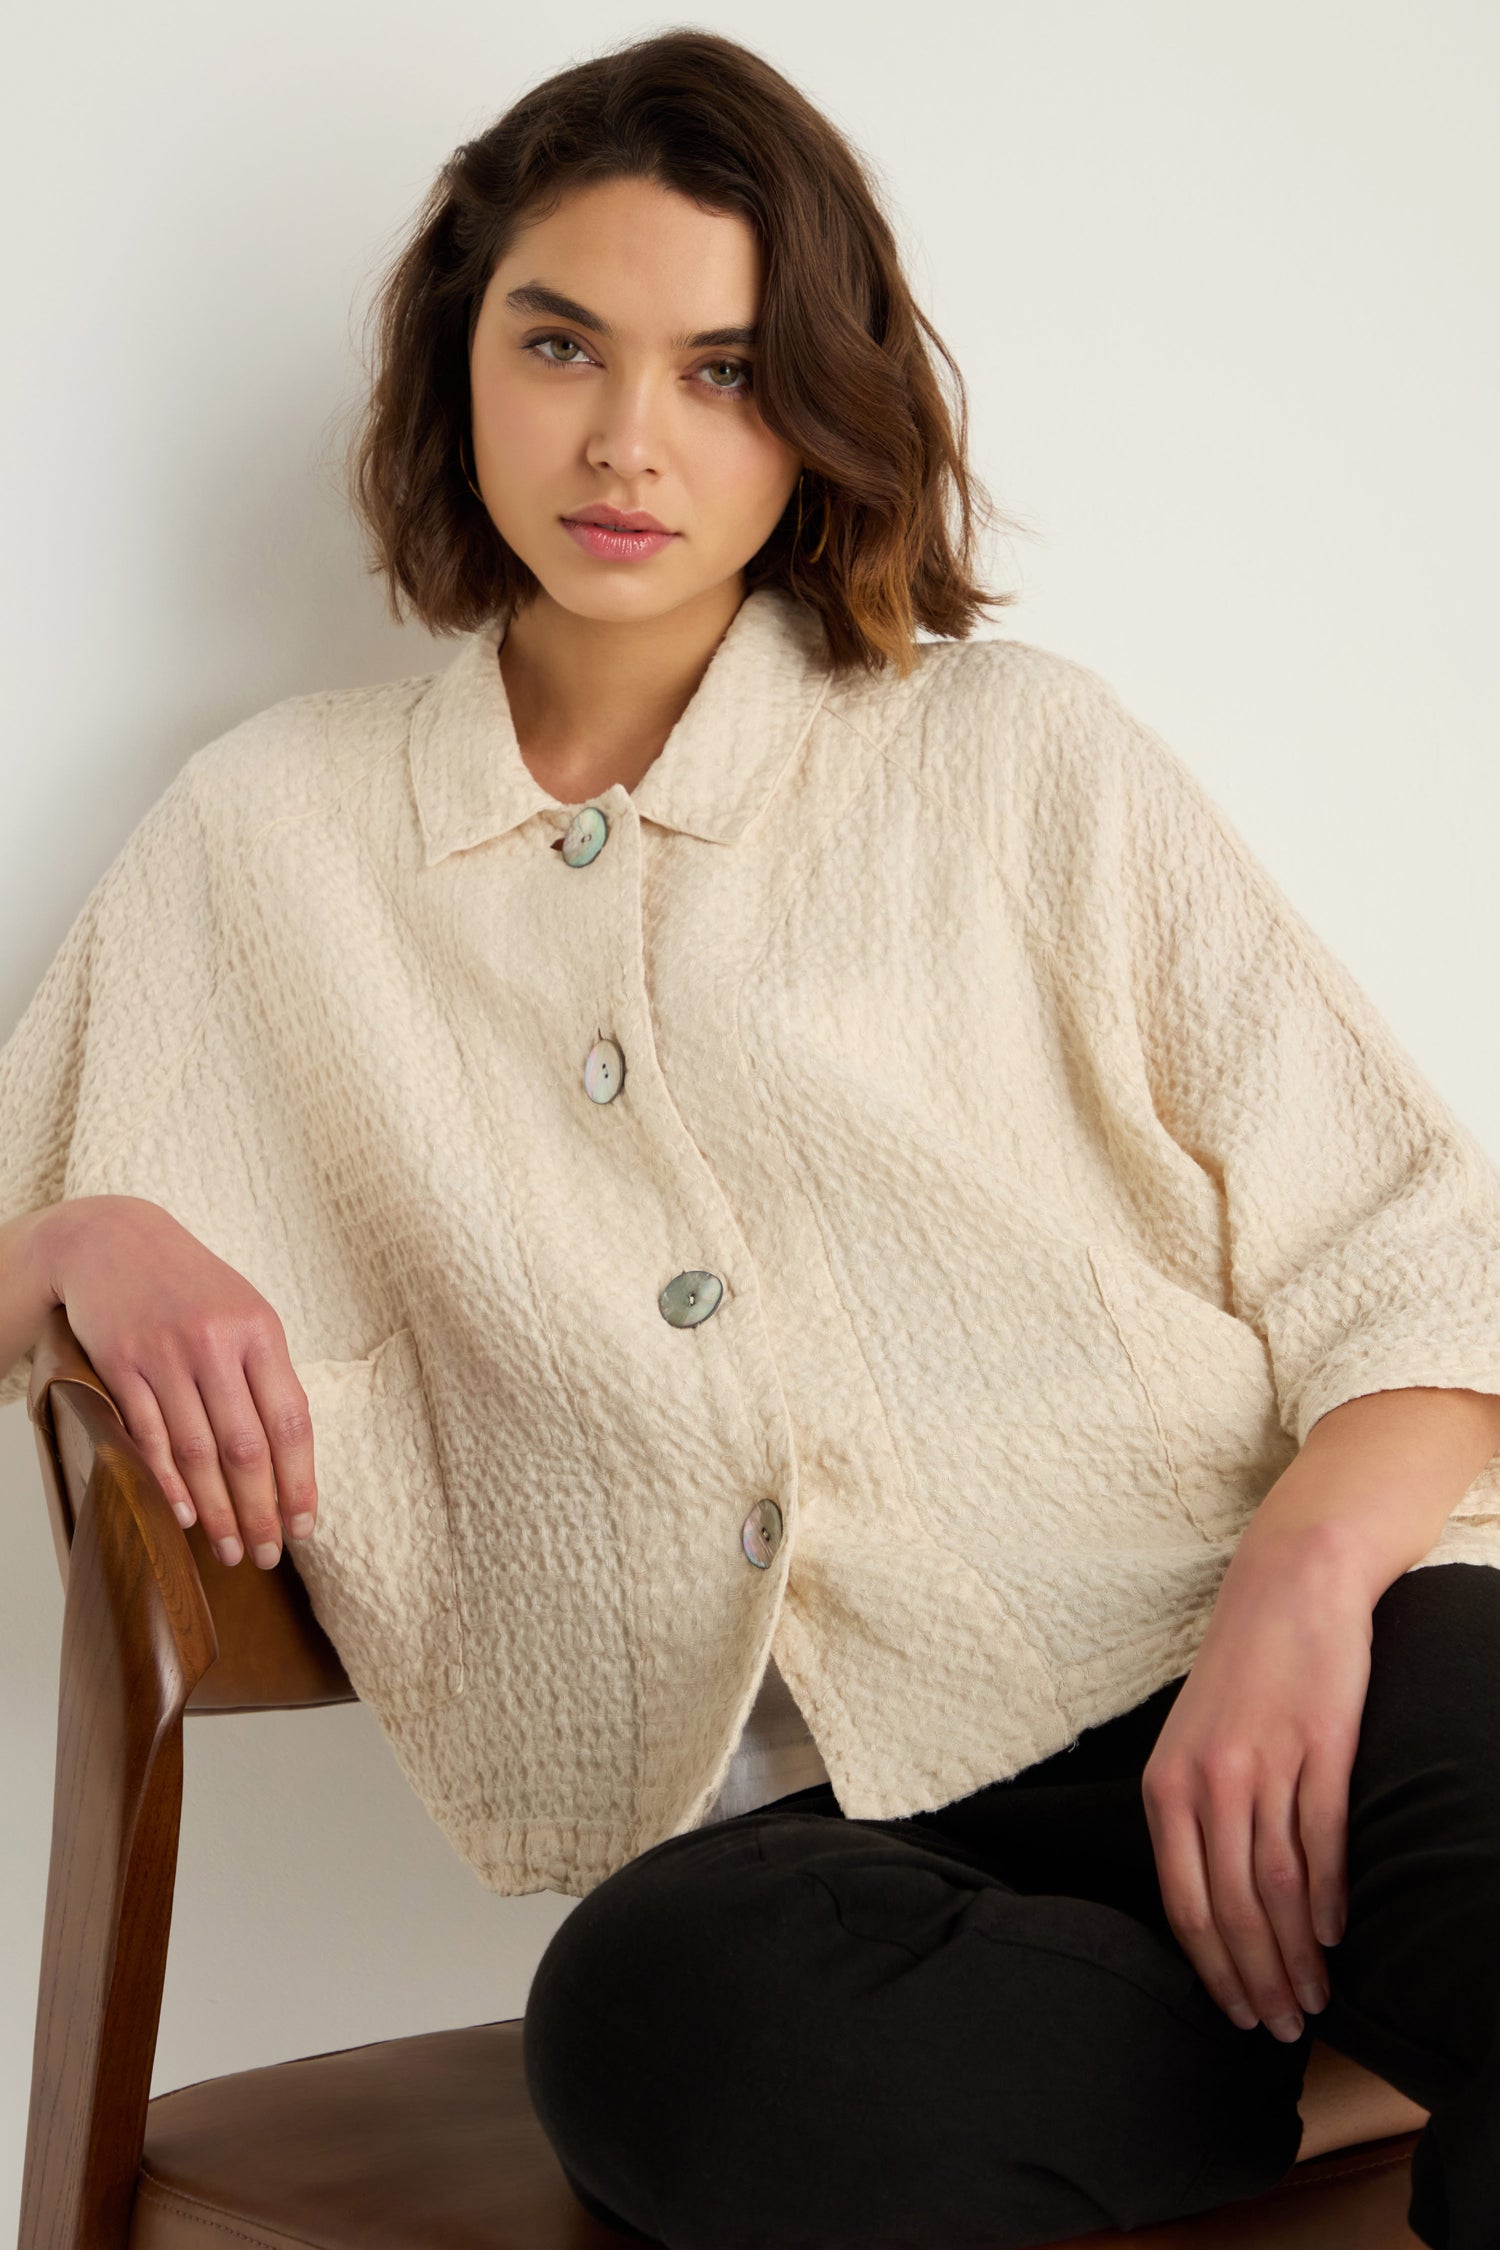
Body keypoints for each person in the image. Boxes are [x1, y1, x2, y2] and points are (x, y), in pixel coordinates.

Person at [3, 27, 1500, 2250]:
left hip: (1282, 1676)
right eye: (562, 345)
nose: (629, 440)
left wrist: (1302, 1583)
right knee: (670, 2038)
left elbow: (1415, 1248)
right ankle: (1298, 2043)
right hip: (827, 1874)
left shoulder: (1018, 758)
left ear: (818, 407)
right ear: (460, 360)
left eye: (722, 370)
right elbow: (29, 1218)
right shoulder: (274, 838)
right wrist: (78, 1243)